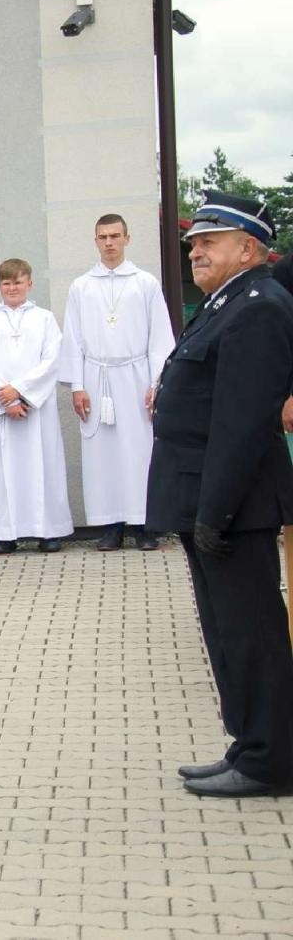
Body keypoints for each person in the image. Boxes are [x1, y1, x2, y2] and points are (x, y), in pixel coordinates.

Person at [148, 190, 293, 798]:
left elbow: (242, 421)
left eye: (209, 241)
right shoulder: (227, 301)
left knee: (251, 634)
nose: (195, 250)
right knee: (227, 632)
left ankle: (269, 761)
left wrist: (217, 511)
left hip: (233, 506)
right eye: (193, 243)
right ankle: (248, 744)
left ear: (249, 248)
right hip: (209, 503)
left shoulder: (259, 306)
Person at [59, 214, 173, 550]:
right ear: (95, 241)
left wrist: (157, 382)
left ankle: (143, 525)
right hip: (97, 378)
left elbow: (160, 338)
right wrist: (78, 385)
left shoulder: (145, 283)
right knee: (102, 454)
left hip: (136, 376)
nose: (109, 243)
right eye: (102, 237)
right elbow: (73, 340)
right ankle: (110, 526)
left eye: (115, 236)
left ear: (127, 238)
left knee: (139, 451)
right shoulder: (82, 286)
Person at [0, 259, 72, 554]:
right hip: (3, 410)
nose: (12, 288)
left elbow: (52, 360)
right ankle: (5, 534)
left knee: (42, 466)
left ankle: (47, 532)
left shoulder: (44, 319)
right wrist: (8, 400)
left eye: (18, 282)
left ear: (30, 283)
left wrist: (22, 393)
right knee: (4, 472)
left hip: (35, 409)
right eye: (6, 283)